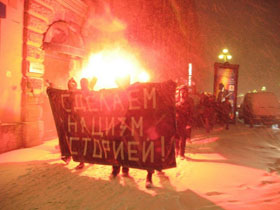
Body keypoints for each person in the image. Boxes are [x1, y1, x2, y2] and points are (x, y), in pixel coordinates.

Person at [175, 86, 194, 159]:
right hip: (176, 122)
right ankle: (176, 151)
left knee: (183, 139)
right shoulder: (176, 101)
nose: (182, 94)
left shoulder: (189, 102)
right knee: (176, 138)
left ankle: (181, 153)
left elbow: (191, 113)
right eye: (181, 92)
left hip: (184, 122)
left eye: (184, 92)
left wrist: (189, 123)